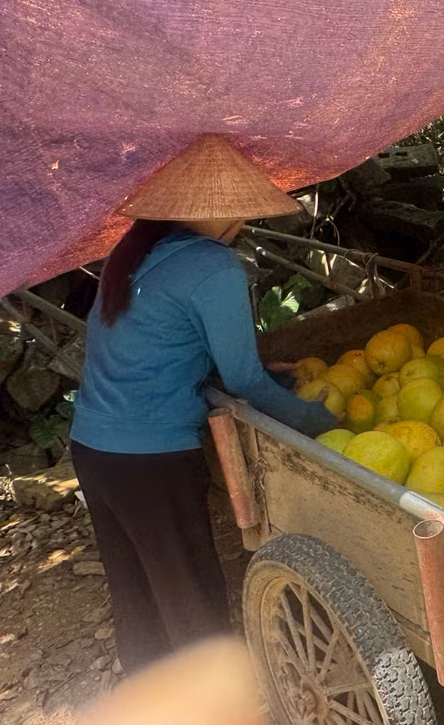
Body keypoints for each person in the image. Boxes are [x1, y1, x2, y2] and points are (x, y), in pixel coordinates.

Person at [71, 134, 336, 676]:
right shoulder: (215, 268)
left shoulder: (135, 255)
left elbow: (157, 347)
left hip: (94, 451)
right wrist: (316, 420)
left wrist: (260, 372)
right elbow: (244, 381)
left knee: (137, 595)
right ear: (230, 213)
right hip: (152, 462)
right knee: (191, 598)